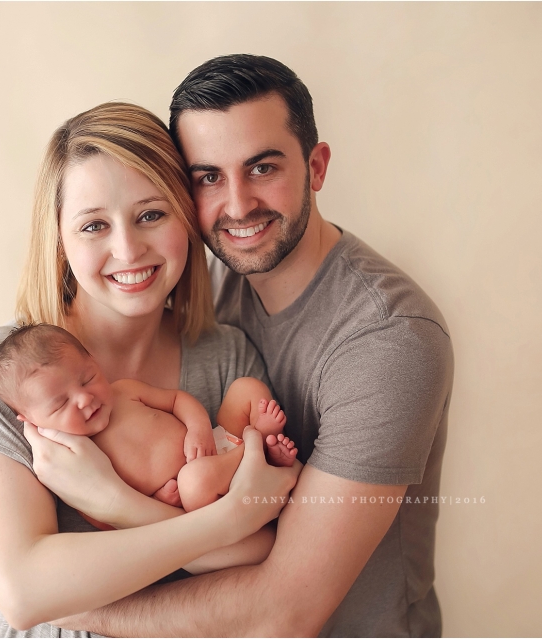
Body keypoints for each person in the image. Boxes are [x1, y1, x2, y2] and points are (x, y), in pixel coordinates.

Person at [33, 55, 455, 636]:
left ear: (317, 165)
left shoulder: (388, 339)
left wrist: (66, 604)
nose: (236, 205)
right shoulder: (202, 298)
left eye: (262, 168)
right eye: (209, 176)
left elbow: (287, 609)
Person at [0, 101, 300, 636]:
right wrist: (221, 524)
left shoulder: (226, 356)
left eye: (151, 214)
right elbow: (24, 593)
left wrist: (113, 502)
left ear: (185, 218)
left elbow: (259, 558)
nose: (127, 249)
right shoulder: (10, 370)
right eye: (94, 225)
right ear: (60, 240)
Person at [0, 322, 297, 519]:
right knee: (194, 480)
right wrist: (157, 501)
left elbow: (177, 400)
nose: (84, 400)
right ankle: (260, 449)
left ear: (95, 362)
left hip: (217, 441)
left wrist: (199, 428)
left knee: (246, 388)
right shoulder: (75, 459)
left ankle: (256, 442)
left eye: (87, 379)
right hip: (199, 489)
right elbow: (105, 517)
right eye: (60, 404)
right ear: (30, 420)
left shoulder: (123, 391)